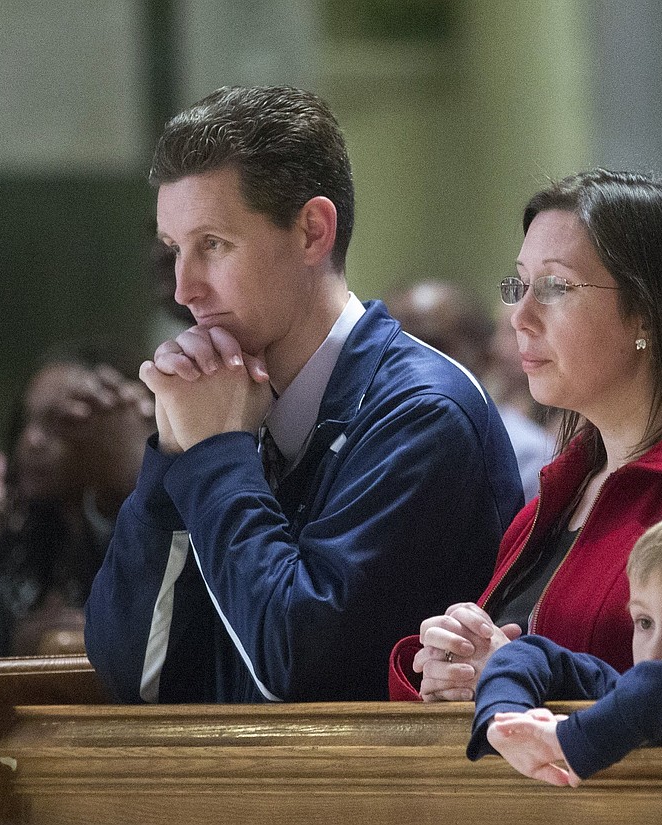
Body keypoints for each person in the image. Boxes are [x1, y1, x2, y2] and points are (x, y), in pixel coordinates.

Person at [84, 86, 523, 703]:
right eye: (175, 250)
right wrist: (173, 455)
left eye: (214, 245)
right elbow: (135, 675)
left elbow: (302, 672)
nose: (184, 289)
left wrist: (214, 456)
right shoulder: (222, 404)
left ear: (313, 231)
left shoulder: (422, 414)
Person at [388, 169, 662, 701]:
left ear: (648, 313)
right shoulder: (556, 496)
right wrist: (446, 667)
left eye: (554, 287)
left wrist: (515, 677)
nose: (520, 317)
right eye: (519, 285)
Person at [467, 497, 662, 786]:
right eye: (644, 622)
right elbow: (530, 653)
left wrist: (574, 737)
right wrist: (504, 716)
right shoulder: (622, 694)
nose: (655, 650)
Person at [0, 344, 154, 656]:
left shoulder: (134, 532)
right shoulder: (2, 538)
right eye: (28, 420)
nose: (33, 440)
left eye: (59, 422)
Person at [384, 279, 554, 502]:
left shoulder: (527, 453)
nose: (410, 359)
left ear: (485, 357)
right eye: (396, 343)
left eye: (432, 346)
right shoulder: (361, 432)